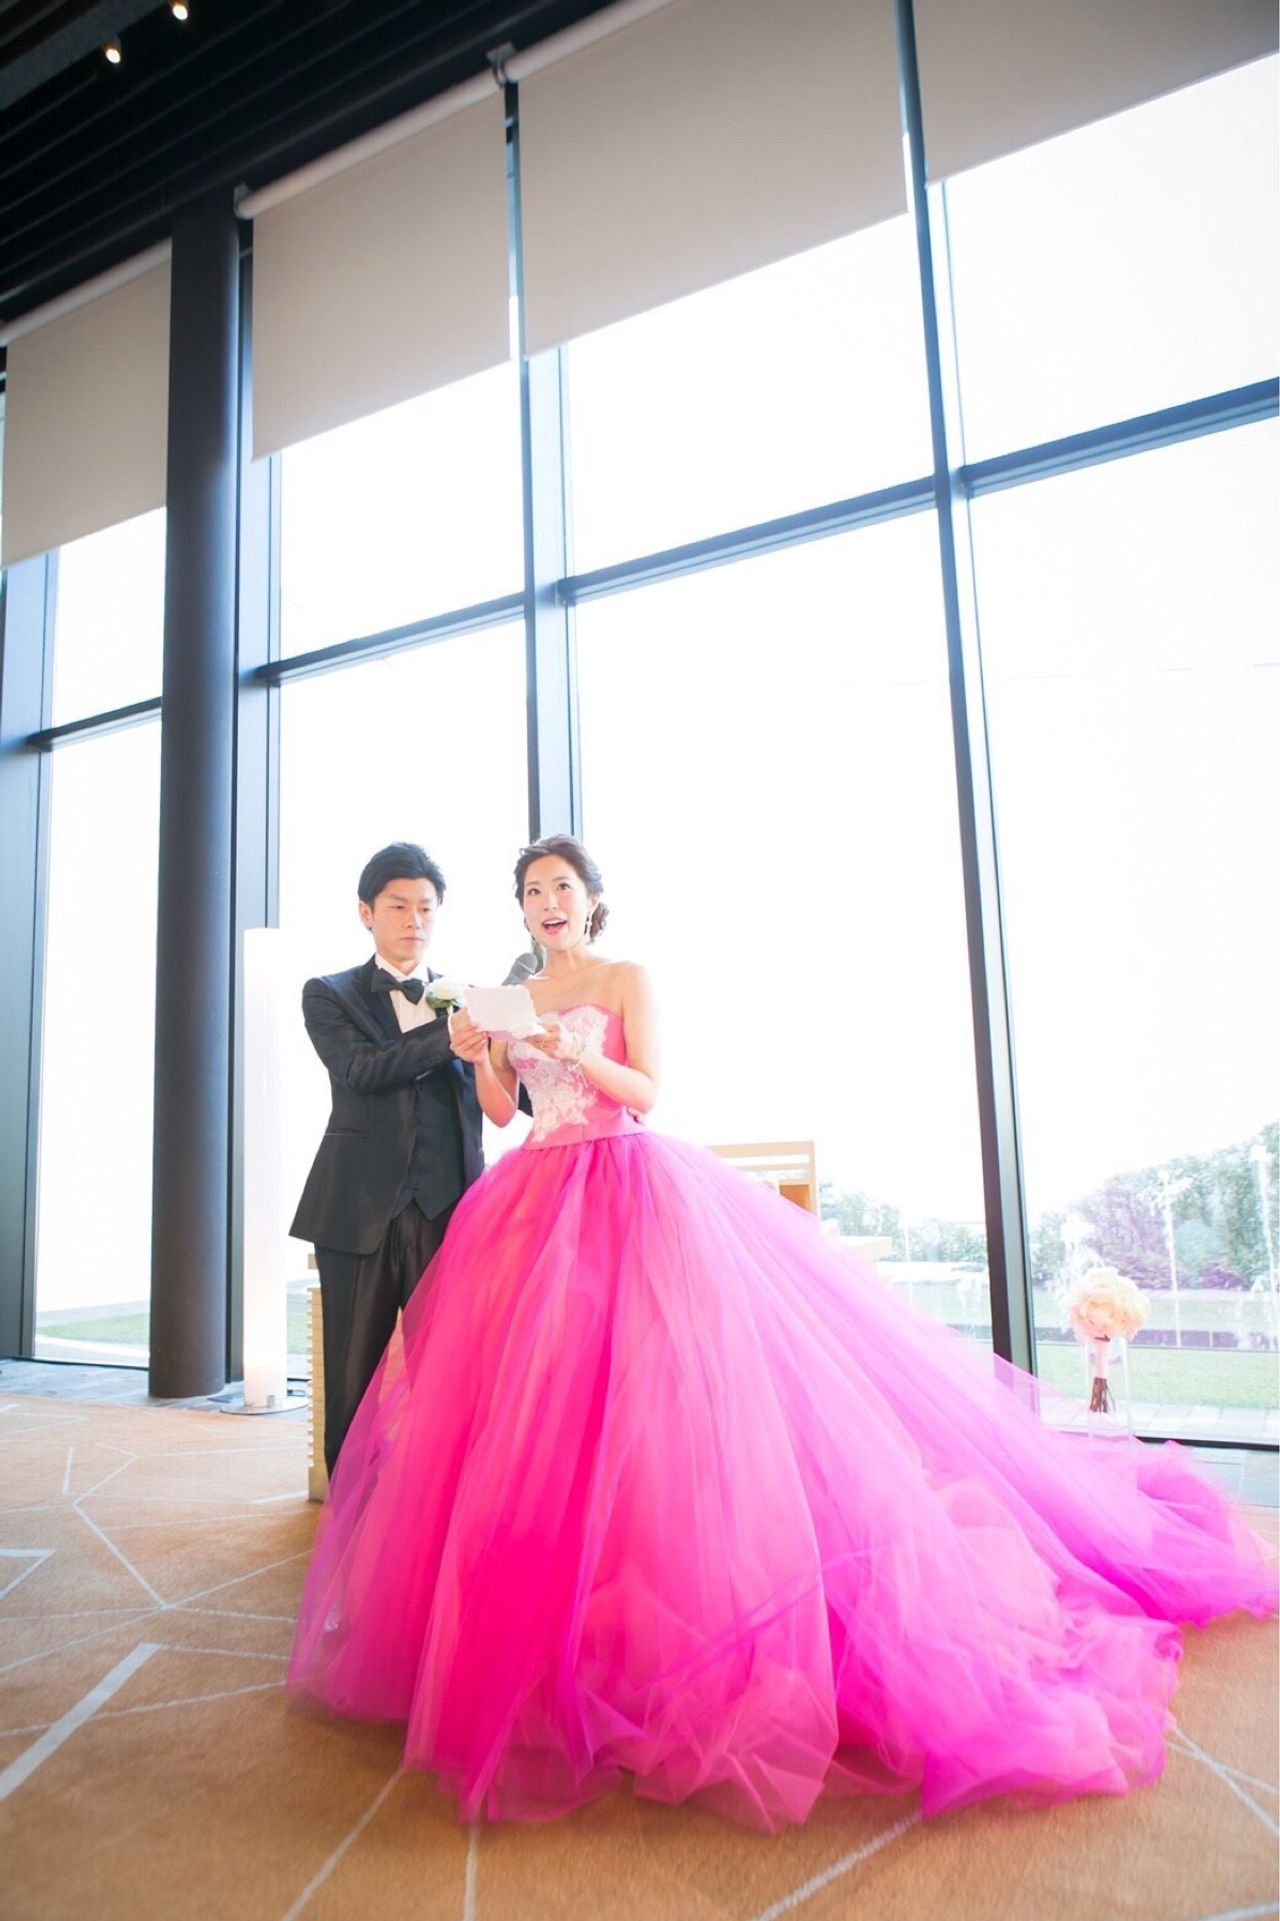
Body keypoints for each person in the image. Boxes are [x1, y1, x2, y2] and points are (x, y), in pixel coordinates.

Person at [289, 834, 1277, 1832]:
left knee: (652, 1409)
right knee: (544, 1416)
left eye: (563, 886)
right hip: (534, 1204)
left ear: (590, 900)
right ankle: (565, 1615)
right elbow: (505, 1113)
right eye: (533, 890)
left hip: (624, 1189)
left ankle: (661, 1617)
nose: (549, 901)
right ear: (520, 909)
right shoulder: (508, 997)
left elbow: (647, 1093)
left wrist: (581, 1051)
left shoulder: (624, 977)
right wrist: (482, 1060)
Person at [290, 842, 483, 1476]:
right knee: (353, 1378)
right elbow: (360, 1071)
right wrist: (447, 1035)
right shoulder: (329, 993)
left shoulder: (470, 1000)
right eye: (398, 905)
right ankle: (350, 1510)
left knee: (450, 1377)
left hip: (448, 1211)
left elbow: (512, 1093)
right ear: (366, 912)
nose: (414, 920)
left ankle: (437, 1504)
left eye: (426, 907)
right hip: (356, 1211)